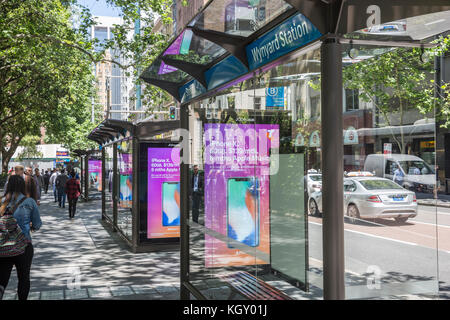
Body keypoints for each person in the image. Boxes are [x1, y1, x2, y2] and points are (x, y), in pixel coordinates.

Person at [0, 175, 42, 300]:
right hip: (24, 245)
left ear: (7, 186)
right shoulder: (29, 202)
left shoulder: (2, 202)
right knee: (23, 277)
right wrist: (29, 225)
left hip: (3, 246)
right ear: (22, 186)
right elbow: (37, 224)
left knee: (2, 279)